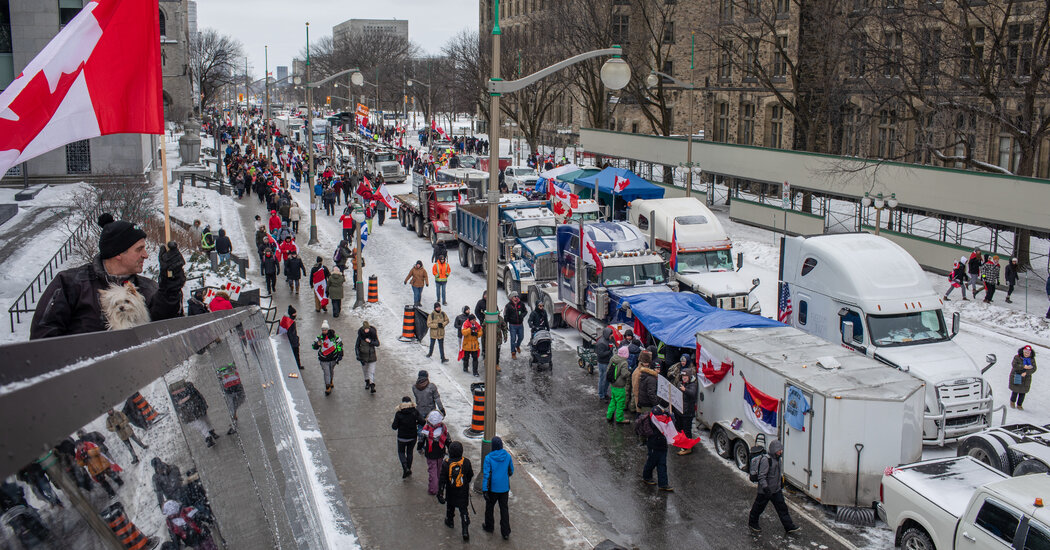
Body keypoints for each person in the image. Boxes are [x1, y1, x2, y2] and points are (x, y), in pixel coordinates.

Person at [30, 215, 185, 339]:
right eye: (139, 249)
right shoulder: (71, 283)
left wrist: (170, 286)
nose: (145, 255)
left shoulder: (146, 288)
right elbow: (43, 337)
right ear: (118, 253)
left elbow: (166, 326)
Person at [748, 440, 800, 535]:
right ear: (774, 450)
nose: (781, 452)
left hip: (776, 490)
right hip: (765, 491)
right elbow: (762, 476)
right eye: (779, 450)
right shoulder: (766, 460)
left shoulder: (778, 459)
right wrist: (765, 488)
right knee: (758, 508)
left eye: (781, 450)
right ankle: (752, 523)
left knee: (782, 508)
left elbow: (776, 473)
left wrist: (780, 482)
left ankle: (789, 526)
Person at [438, 441, 474, 542]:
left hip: (451, 491)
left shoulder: (446, 463)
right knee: (464, 510)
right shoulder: (466, 462)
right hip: (463, 491)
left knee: (450, 507)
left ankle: (450, 521)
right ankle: (465, 530)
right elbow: (470, 475)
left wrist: (440, 493)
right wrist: (466, 482)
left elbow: (442, 479)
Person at [170, 380, 221, 446]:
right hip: (192, 413)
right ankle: (208, 436)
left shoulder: (189, 391)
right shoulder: (178, 396)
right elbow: (178, 406)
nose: (176, 392)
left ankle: (210, 434)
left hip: (197, 409)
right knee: (201, 424)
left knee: (205, 420)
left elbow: (197, 397)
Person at [482, 435, 514, 540]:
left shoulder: (488, 458)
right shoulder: (508, 456)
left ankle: (489, 527)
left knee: (489, 508)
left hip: (492, 488)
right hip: (504, 488)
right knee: (504, 509)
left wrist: (484, 490)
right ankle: (505, 532)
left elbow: (486, 475)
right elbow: (511, 471)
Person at [640, 405, 673, 492]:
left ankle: (663, 484)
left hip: (661, 446)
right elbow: (670, 425)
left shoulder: (657, 419)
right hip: (655, 446)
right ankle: (647, 477)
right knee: (651, 463)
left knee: (662, 464)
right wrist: (671, 416)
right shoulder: (656, 422)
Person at [392, 396, 426, 479]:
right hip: (412, 437)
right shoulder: (414, 412)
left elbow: (394, 427)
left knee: (401, 452)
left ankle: (405, 468)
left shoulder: (399, 413)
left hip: (401, 437)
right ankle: (408, 469)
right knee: (410, 452)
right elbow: (423, 422)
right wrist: (416, 422)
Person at [420, 410, 451, 495]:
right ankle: (440, 486)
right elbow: (448, 441)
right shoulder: (443, 429)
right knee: (439, 470)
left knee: (432, 471)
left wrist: (419, 448)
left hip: (430, 453)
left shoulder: (426, 429)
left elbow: (421, 441)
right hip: (440, 453)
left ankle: (433, 489)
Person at [313, 327, 343, 396]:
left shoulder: (335, 337)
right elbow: (313, 347)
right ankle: (328, 386)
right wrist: (317, 344)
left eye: (325, 330)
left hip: (333, 358)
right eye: (323, 330)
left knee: (331, 371)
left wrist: (339, 354)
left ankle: (331, 380)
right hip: (323, 359)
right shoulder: (319, 338)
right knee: (326, 372)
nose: (324, 331)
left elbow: (339, 345)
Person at [676, 369, 699, 455]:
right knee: (680, 428)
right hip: (681, 411)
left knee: (687, 430)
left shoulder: (693, 385)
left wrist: (684, 390)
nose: (684, 378)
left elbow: (693, 394)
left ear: (689, 377)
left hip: (688, 412)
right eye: (683, 376)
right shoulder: (680, 383)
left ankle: (688, 448)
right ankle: (683, 444)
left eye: (685, 376)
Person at [607, 347, 631, 423]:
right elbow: (624, 374)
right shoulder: (624, 362)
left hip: (613, 384)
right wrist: (629, 372)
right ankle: (619, 419)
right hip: (620, 386)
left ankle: (609, 415)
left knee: (613, 400)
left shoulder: (613, 358)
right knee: (620, 403)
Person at [1009, 345, 1037, 410]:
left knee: (1023, 392)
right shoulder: (1017, 357)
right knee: (1015, 390)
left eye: (1028, 353)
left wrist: (1026, 372)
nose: (1026, 354)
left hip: (1026, 378)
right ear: (1022, 351)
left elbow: (1034, 368)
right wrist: (1023, 367)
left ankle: (1019, 404)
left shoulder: (1032, 359)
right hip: (1017, 375)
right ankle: (1012, 401)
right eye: (1025, 352)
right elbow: (1014, 365)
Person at [356, 321, 380, 393]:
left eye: (367, 329)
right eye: (365, 329)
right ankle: (367, 382)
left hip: (372, 356)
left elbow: (377, 343)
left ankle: (372, 385)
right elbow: (357, 346)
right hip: (363, 357)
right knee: (365, 370)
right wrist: (358, 355)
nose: (367, 330)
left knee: (371, 371)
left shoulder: (373, 335)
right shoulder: (360, 337)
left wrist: (370, 342)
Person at [503, 293, 528, 359]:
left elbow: (525, 311)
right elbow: (505, 316)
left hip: (520, 324)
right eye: (515, 296)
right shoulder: (508, 306)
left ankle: (517, 346)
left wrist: (522, 315)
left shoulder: (521, 304)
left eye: (517, 296)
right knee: (513, 339)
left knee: (521, 337)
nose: (516, 297)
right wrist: (506, 325)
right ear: (511, 298)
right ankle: (513, 352)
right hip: (512, 325)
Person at [595, 327, 616, 397]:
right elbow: (600, 354)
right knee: (603, 379)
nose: (612, 335)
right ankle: (601, 395)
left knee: (606, 379)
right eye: (611, 334)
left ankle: (605, 393)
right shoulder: (601, 343)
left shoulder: (608, 340)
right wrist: (609, 351)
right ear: (607, 334)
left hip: (607, 362)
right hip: (603, 364)